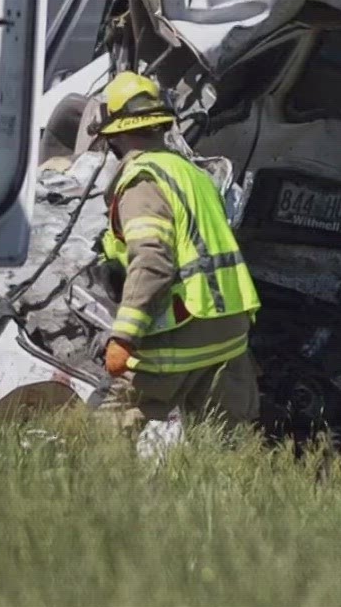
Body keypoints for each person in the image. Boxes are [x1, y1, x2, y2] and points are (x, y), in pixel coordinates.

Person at [91, 70, 262, 435]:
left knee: (107, 430)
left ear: (115, 134)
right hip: (229, 330)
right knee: (223, 448)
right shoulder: (193, 173)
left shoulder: (142, 180)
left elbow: (152, 260)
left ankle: (97, 492)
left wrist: (124, 336)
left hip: (183, 330)